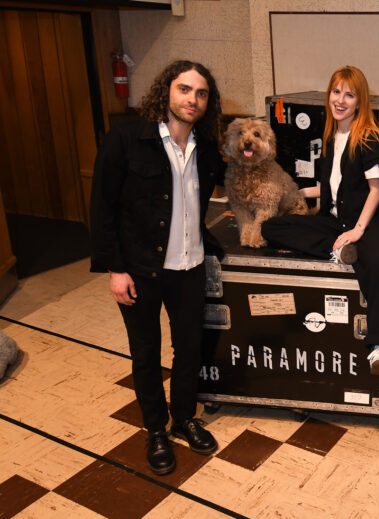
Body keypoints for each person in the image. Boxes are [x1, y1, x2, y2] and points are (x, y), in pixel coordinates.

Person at [90, 60, 225, 475]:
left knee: (189, 348)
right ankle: (155, 429)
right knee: (145, 352)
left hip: (190, 265)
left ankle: (183, 417)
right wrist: (115, 268)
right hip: (140, 269)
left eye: (201, 93)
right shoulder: (128, 138)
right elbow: (102, 206)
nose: (192, 99)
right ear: (166, 91)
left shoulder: (207, 146)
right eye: (185, 89)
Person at [262, 65, 379, 376]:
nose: (340, 100)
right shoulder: (331, 135)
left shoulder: (369, 139)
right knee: (271, 228)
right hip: (339, 218)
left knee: (377, 263)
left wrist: (358, 231)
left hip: (370, 220)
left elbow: (376, 189)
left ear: (360, 101)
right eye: (336, 92)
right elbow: (332, 187)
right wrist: (292, 194)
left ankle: (378, 347)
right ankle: (337, 250)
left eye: (349, 95)